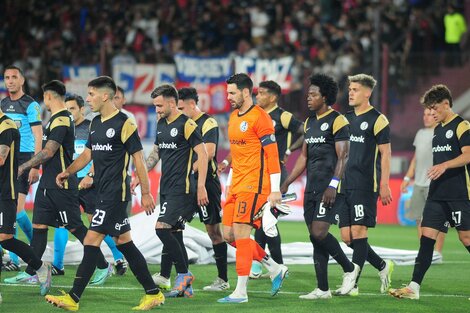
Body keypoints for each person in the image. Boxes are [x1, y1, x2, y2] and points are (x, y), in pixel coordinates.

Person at [46, 76, 164, 311]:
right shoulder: (95, 123)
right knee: (125, 243)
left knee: (91, 240)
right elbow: (87, 155)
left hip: (114, 195)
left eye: (91, 94)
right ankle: (153, 293)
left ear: (105, 96)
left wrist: (147, 191)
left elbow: (138, 159)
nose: (88, 99)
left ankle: (73, 298)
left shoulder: (124, 123)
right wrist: (68, 172)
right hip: (102, 193)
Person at [4, 80, 112, 287]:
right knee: (39, 226)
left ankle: (102, 265)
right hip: (47, 184)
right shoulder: (54, 119)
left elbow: (49, 151)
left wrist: (24, 166)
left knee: (75, 226)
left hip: (61, 183)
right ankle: (33, 271)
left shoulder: (62, 119)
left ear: (48, 97)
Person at [280, 73, 359, 299]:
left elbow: (343, 156)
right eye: (308, 94)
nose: (308, 98)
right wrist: (287, 182)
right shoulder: (309, 123)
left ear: (325, 97)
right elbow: (304, 158)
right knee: (315, 238)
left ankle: (349, 267)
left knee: (319, 231)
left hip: (330, 188)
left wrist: (333, 185)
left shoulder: (338, 120)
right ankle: (322, 289)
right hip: (312, 188)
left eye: (313, 94)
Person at [390, 84, 470, 300]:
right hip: (437, 195)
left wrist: (444, 166)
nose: (432, 113)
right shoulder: (438, 130)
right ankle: (413, 287)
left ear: (446, 104)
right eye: (429, 109)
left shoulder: (462, 126)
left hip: (460, 194)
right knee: (426, 238)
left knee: (466, 238)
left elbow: (467, 156)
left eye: (434, 108)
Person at [217, 73, 288, 304]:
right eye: (227, 93)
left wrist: (275, 189)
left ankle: (240, 291)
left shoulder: (261, 118)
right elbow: (238, 155)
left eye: (232, 92)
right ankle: (275, 267)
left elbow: (273, 154)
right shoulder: (233, 117)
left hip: (255, 184)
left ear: (246, 92)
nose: (228, 97)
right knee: (227, 235)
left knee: (241, 233)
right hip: (236, 183)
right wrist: (228, 184)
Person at [135, 84, 209, 298]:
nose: (156, 110)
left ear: (171, 102)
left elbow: (202, 155)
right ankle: (186, 286)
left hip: (183, 189)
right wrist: (140, 177)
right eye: (155, 106)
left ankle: (184, 274)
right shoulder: (160, 124)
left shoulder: (187, 124)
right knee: (175, 234)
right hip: (166, 188)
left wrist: (201, 186)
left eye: (159, 106)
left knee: (161, 229)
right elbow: (156, 154)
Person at [51, 93, 128, 276]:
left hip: (89, 184)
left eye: (72, 109)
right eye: (66, 109)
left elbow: (96, 154)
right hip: (70, 183)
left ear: (81, 109)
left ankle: (118, 258)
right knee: (63, 222)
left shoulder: (91, 126)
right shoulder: (64, 128)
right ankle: (57, 264)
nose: (69, 113)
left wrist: (91, 175)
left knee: (97, 224)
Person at [335, 74, 394, 296]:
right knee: (347, 237)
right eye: (350, 89)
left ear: (367, 93)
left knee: (359, 231)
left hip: (365, 185)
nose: (350, 92)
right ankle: (381, 265)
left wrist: (385, 184)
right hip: (344, 185)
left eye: (355, 89)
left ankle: (353, 283)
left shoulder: (379, 120)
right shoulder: (345, 118)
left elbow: (386, 154)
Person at [175, 87, 229, 291]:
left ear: (191, 104)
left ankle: (223, 280)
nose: (178, 111)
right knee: (171, 225)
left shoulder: (208, 122)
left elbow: (208, 152)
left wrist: (187, 172)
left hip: (206, 184)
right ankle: (167, 275)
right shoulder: (181, 123)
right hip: (186, 183)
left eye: (181, 107)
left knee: (214, 232)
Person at [0, 106, 52, 298]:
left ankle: (40, 267)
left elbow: (1, 158)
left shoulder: (6, 127)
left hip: (5, 191)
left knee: (5, 238)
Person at [0, 65, 41, 272]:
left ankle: (33, 249)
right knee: (13, 212)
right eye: (7, 77)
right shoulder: (3, 103)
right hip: (8, 162)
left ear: (22, 80)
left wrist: (36, 164)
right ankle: (19, 256)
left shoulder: (30, 105)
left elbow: (37, 135)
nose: (10, 81)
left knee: (14, 212)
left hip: (23, 161)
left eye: (14, 77)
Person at [401, 108, 446, 259]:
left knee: (438, 219)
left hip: (435, 182)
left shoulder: (442, 133)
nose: (426, 117)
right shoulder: (420, 133)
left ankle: (437, 253)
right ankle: (424, 253)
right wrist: (407, 178)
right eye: (424, 114)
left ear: (436, 116)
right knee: (419, 219)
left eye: (429, 115)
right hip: (419, 183)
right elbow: (416, 157)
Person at [114, 86, 136, 216]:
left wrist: (134, 172)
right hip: (103, 173)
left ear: (124, 100)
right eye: (113, 98)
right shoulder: (99, 117)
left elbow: (134, 148)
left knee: (124, 213)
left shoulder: (129, 117)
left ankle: (125, 234)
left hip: (124, 172)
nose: (114, 101)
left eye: (117, 98)